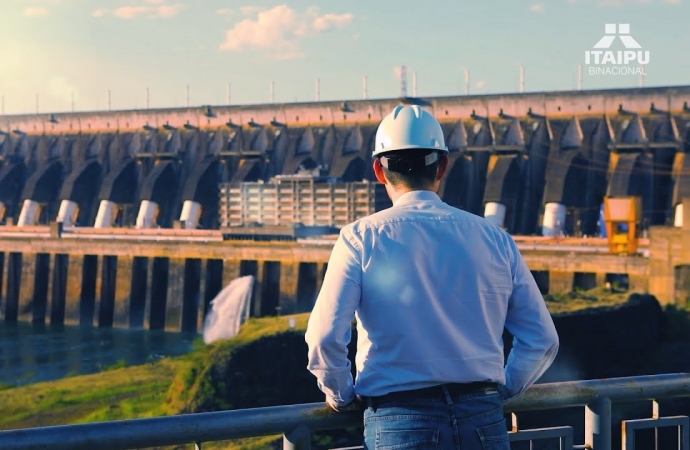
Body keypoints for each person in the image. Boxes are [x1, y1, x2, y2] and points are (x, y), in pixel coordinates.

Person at [305, 105, 559, 449]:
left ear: (379, 171)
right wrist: (499, 390)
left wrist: (341, 396)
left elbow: (323, 339)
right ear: (442, 166)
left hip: (399, 418)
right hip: (482, 418)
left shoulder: (360, 237)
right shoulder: (494, 237)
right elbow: (541, 339)